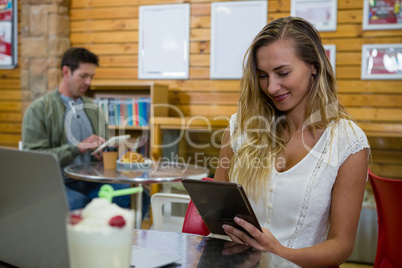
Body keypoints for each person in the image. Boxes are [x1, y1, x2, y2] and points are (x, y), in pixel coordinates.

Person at [214, 17, 369, 267]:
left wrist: (280, 252)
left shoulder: (348, 142)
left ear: (314, 66)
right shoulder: (240, 128)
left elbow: (341, 245)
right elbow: (215, 212)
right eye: (262, 76)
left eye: (283, 73)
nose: (272, 87)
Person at [21, 47, 133, 210]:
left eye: (91, 77)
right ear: (66, 72)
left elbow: (102, 151)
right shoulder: (39, 110)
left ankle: (115, 236)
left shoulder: (94, 109)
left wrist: (105, 152)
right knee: (79, 204)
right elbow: (34, 159)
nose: (88, 82)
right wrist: (77, 148)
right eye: (83, 76)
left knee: (133, 196)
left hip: (92, 180)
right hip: (57, 183)